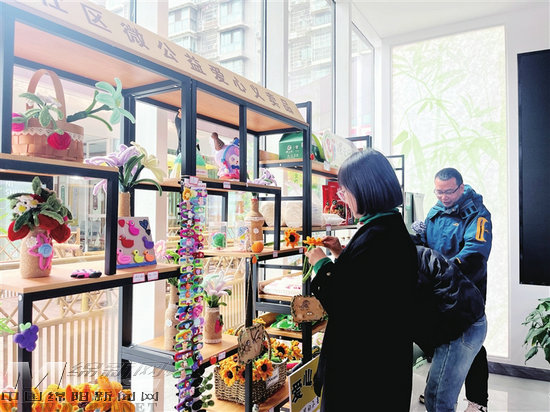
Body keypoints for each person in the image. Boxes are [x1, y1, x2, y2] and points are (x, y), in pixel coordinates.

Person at [305, 149, 418, 411]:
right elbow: (367, 284)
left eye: (344, 191)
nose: (341, 197)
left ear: (366, 190)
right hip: (383, 360)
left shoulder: (379, 237)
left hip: (364, 369)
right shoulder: (387, 226)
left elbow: (343, 302)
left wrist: (321, 264)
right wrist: (341, 254)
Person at [414, 167, 492, 412]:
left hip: (466, 289)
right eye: (439, 192)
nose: (444, 197)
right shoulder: (435, 211)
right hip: (440, 290)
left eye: (448, 192)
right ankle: (438, 388)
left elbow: (475, 253)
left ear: (461, 187)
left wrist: (441, 271)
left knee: (469, 342)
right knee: (443, 338)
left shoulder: (477, 214)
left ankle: (477, 401)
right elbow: (427, 244)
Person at [414, 244, 487, 412]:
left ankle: (477, 403)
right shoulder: (415, 250)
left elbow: (476, 249)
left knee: (438, 400)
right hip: (459, 305)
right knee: (437, 395)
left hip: (461, 319)